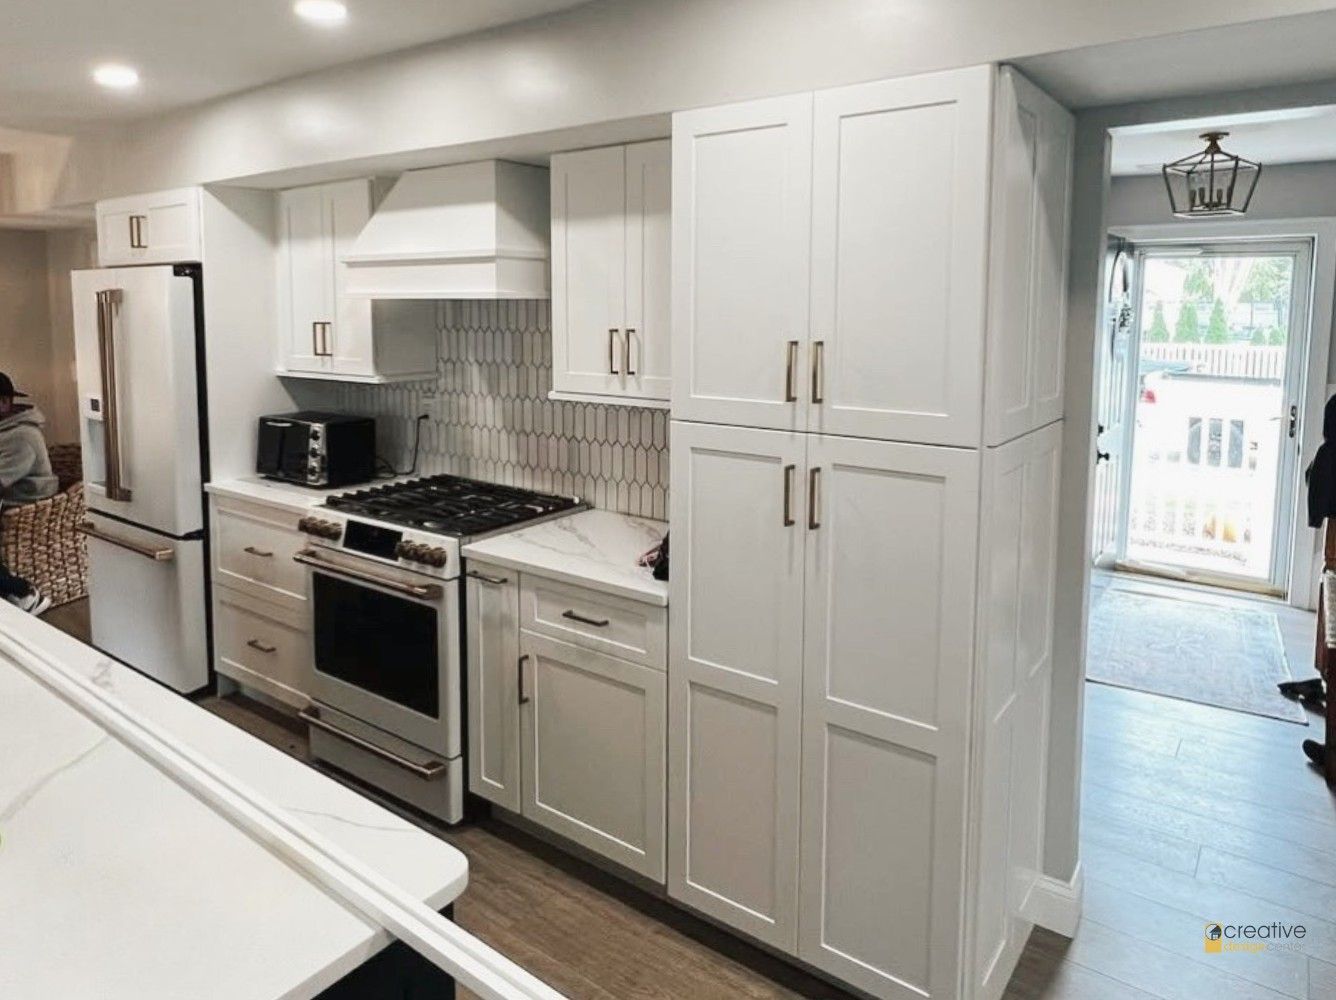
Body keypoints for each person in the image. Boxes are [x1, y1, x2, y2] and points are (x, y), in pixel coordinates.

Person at [0, 372, 57, 615]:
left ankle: (24, 594)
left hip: (23, 502)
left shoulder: (21, 436)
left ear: (4, 402)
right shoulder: (5, 430)